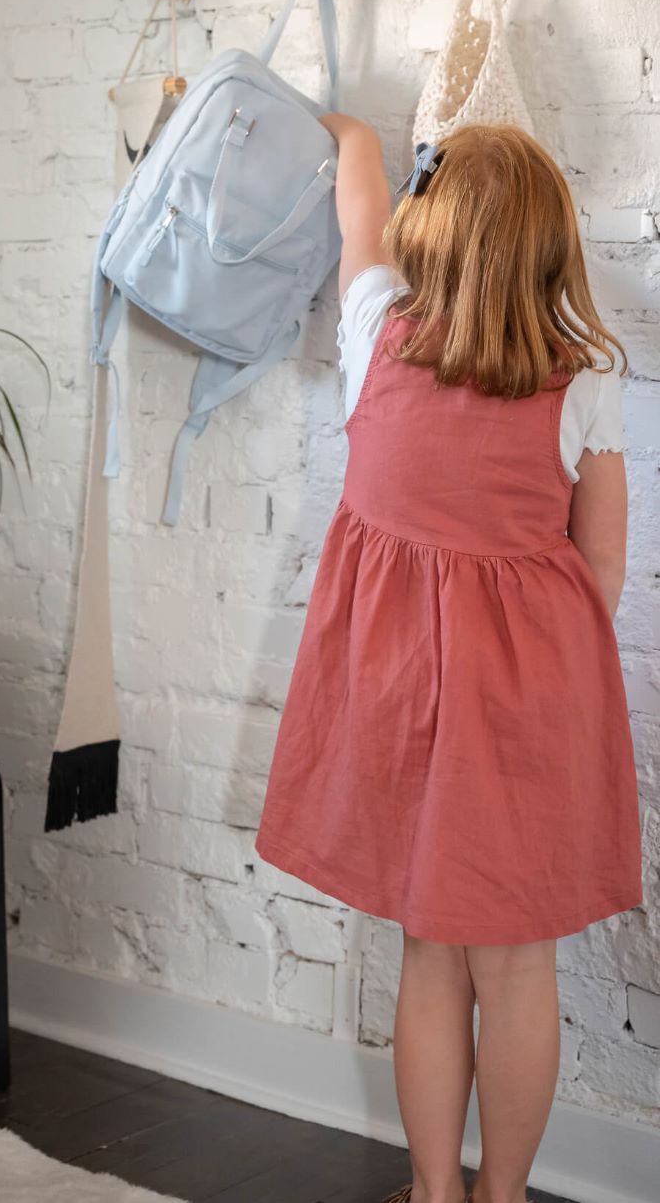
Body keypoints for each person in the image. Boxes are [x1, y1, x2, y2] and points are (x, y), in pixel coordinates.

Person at [254, 119, 643, 1203]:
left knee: (430, 953)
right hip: (527, 708)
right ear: (549, 249)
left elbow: (357, 214)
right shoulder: (586, 384)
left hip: (398, 699)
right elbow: (600, 573)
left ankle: (433, 1193)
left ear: (434, 232)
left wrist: (353, 134)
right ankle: (501, 1197)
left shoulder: (376, 326)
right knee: (516, 968)